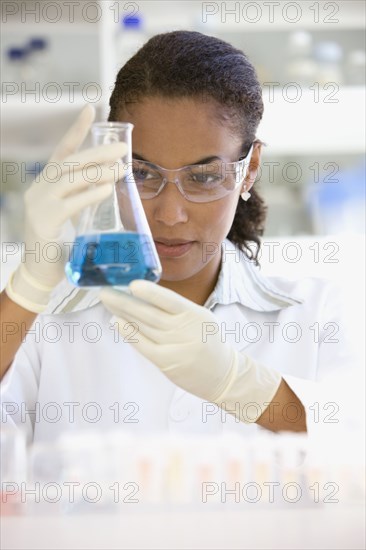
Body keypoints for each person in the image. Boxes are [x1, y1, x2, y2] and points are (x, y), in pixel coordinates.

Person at [0, 31, 352, 445]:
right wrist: (28, 288)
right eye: (142, 174)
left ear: (250, 168)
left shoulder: (317, 314)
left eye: (202, 178)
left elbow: (353, 449)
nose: (170, 215)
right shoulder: (43, 322)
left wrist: (242, 385)